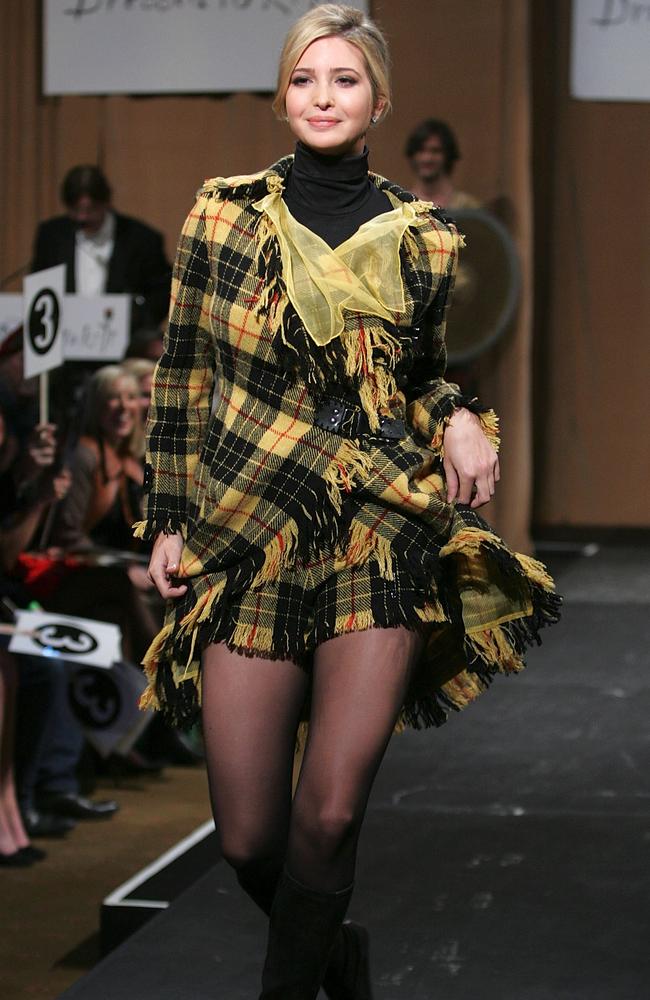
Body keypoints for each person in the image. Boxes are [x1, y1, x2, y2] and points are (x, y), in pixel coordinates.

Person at [140, 6, 560, 997]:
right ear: (282, 94)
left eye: (342, 81)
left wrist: (456, 416)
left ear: (379, 101)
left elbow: (418, 374)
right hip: (250, 528)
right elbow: (182, 368)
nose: (320, 97)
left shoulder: (420, 238)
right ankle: (336, 952)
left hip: (376, 531)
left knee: (327, 815)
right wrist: (165, 513)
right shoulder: (223, 215)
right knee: (249, 836)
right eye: (303, 79)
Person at [30, 165, 172, 329]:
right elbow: (39, 286)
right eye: (76, 210)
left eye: (90, 210)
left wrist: (136, 321)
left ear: (105, 203)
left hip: (126, 339)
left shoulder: (141, 239)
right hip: (64, 333)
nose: (82, 217)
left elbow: (161, 292)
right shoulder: (51, 236)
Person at [405, 117, 481, 210]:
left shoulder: (467, 207)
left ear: (448, 155)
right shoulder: (401, 206)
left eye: (435, 151)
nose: (427, 158)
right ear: (412, 155)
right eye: (421, 151)